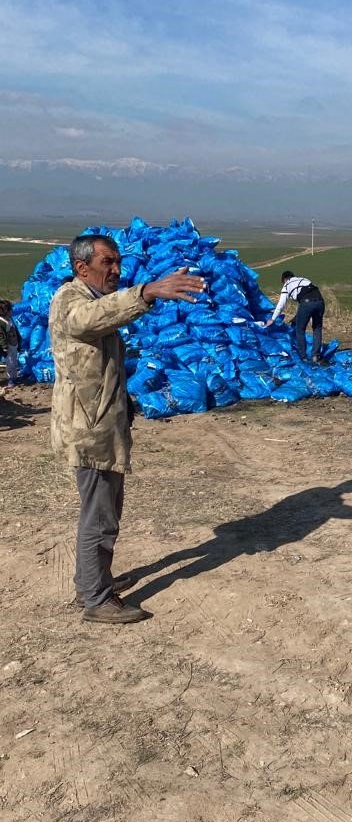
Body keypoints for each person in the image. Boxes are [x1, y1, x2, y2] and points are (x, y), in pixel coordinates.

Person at [50, 234, 206, 624]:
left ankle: (93, 581)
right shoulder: (71, 300)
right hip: (89, 429)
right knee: (99, 515)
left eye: (118, 262)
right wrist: (146, 292)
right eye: (108, 262)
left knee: (105, 511)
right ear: (82, 267)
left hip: (101, 423)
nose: (116, 270)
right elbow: (86, 321)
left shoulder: (91, 298)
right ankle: (95, 598)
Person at [265, 270, 325, 363]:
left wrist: (272, 319)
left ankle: (303, 358)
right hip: (320, 301)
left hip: (306, 303)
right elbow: (306, 298)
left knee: (300, 329)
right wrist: (296, 317)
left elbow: (281, 304)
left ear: (285, 279)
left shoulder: (287, 285)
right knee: (317, 328)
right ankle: (315, 356)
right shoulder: (304, 279)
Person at [0, 299, 21, 388]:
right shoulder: (1, 322)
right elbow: (0, 335)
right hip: (7, 347)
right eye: (10, 310)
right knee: (10, 363)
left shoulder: (10, 320)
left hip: (14, 345)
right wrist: (4, 346)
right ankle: (10, 379)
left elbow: (15, 331)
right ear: (6, 312)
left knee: (15, 361)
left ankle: (14, 377)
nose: (12, 311)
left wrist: (19, 342)